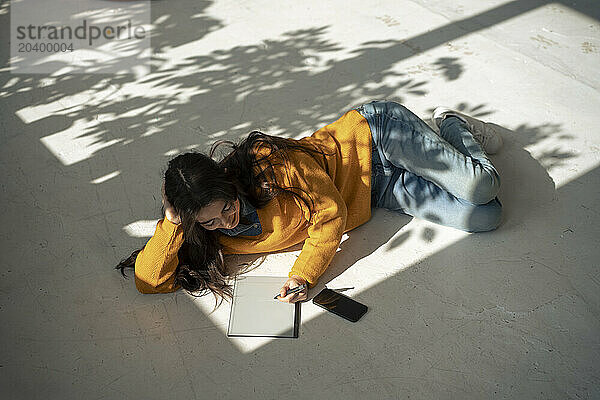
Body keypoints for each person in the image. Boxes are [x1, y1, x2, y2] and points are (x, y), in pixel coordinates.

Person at [116, 100, 503, 304]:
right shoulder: (208, 232)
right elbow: (149, 283)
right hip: (382, 191)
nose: (227, 224)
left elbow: (329, 214)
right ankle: (442, 153)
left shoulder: (268, 163)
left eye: (228, 208)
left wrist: (303, 274)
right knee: (486, 217)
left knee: (481, 187)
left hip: (374, 137)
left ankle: (452, 123)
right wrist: (171, 222)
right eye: (212, 223)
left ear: (228, 183)